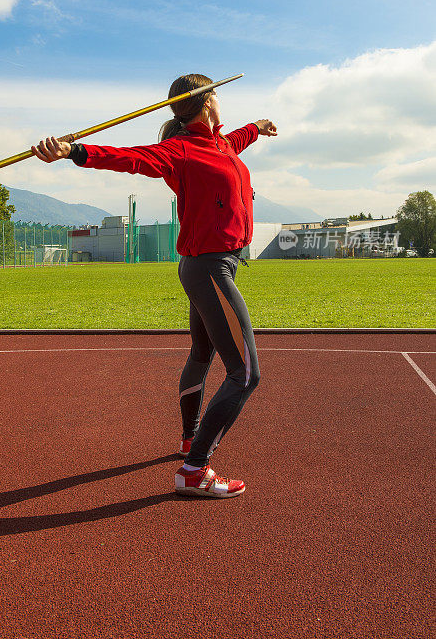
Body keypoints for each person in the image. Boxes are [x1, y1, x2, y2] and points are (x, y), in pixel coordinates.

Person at [32, 73, 277, 498]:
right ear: (205, 102)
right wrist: (74, 151)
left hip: (217, 266)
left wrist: (258, 127)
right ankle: (194, 468)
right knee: (246, 374)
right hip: (209, 268)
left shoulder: (221, 144)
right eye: (216, 94)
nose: (220, 100)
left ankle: (189, 440)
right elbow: (128, 157)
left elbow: (238, 139)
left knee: (203, 354)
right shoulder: (179, 150)